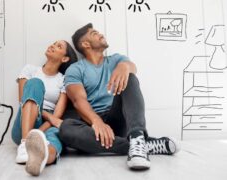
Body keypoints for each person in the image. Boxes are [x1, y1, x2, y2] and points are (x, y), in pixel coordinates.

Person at [59, 23, 180, 170]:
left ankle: (136, 136)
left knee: (130, 78)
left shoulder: (116, 59)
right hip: (93, 126)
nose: (101, 34)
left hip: (118, 119)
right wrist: (97, 121)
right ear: (86, 44)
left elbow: (132, 68)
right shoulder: (75, 69)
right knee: (66, 128)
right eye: (94, 33)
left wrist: (125, 66)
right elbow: (78, 100)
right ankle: (139, 145)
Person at [11, 40, 77, 176]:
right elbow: (23, 101)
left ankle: (43, 158)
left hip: (48, 126)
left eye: (59, 46)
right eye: (53, 43)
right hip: (25, 122)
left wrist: (40, 132)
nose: (52, 46)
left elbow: (57, 115)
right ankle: (25, 144)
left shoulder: (64, 80)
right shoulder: (30, 70)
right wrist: (48, 117)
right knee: (35, 83)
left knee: (55, 136)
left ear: (64, 58)